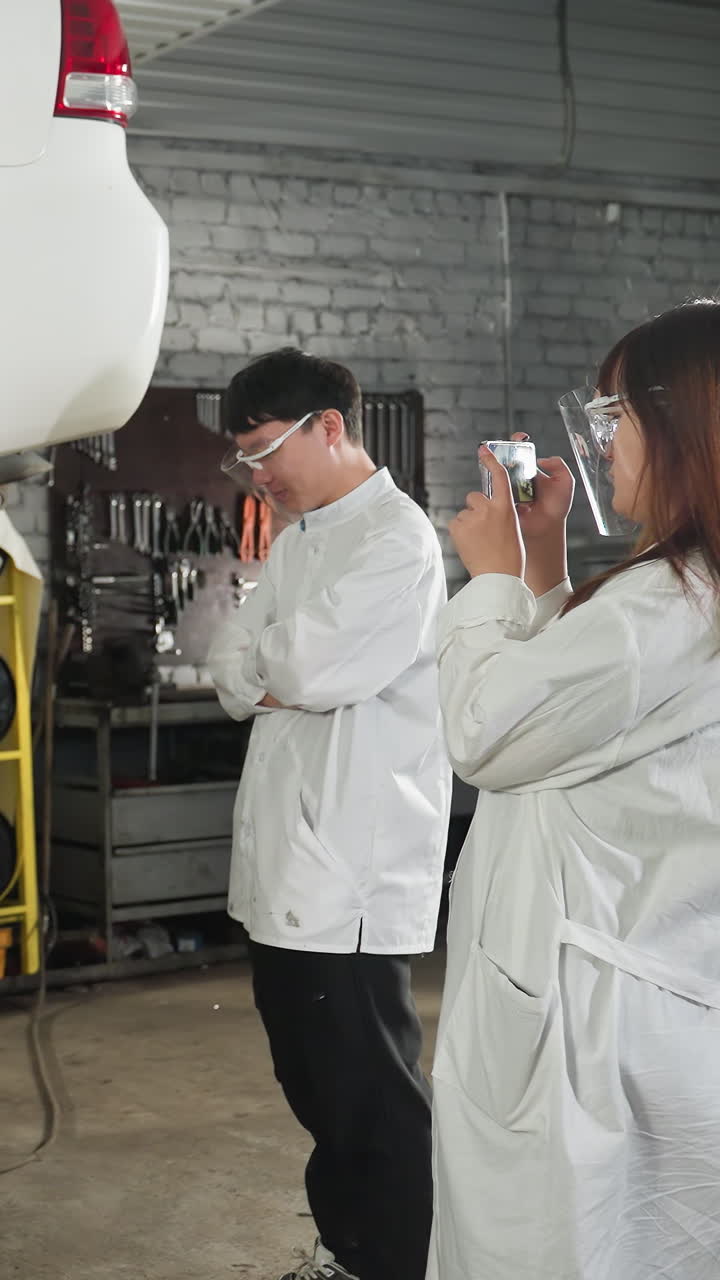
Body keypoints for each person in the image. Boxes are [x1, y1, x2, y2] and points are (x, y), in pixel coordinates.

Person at [428, 299, 720, 1280]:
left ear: (684, 424)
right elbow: (579, 718)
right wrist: (545, 562)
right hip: (644, 990)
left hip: (587, 1020)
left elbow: (488, 731)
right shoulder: (682, 590)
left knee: (562, 1244)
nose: (601, 447)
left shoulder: (663, 602)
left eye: (616, 418)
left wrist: (493, 582)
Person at [206, 348, 452, 1280]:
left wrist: (276, 666)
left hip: (350, 866)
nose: (257, 474)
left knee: (370, 1094)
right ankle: (348, 1249)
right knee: (312, 1082)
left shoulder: (398, 539)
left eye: (266, 450)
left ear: (332, 426)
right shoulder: (302, 536)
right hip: (287, 860)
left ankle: (393, 1263)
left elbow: (301, 670)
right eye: (246, 460)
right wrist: (276, 667)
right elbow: (234, 668)